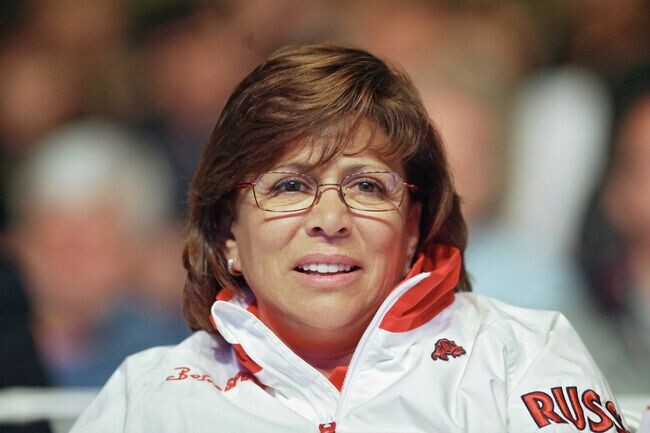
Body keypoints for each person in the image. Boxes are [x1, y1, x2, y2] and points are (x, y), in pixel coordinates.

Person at [71, 43, 631, 433]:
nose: (330, 219)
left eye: (367, 185)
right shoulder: (150, 395)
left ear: (412, 228)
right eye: (289, 185)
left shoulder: (520, 358)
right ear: (228, 233)